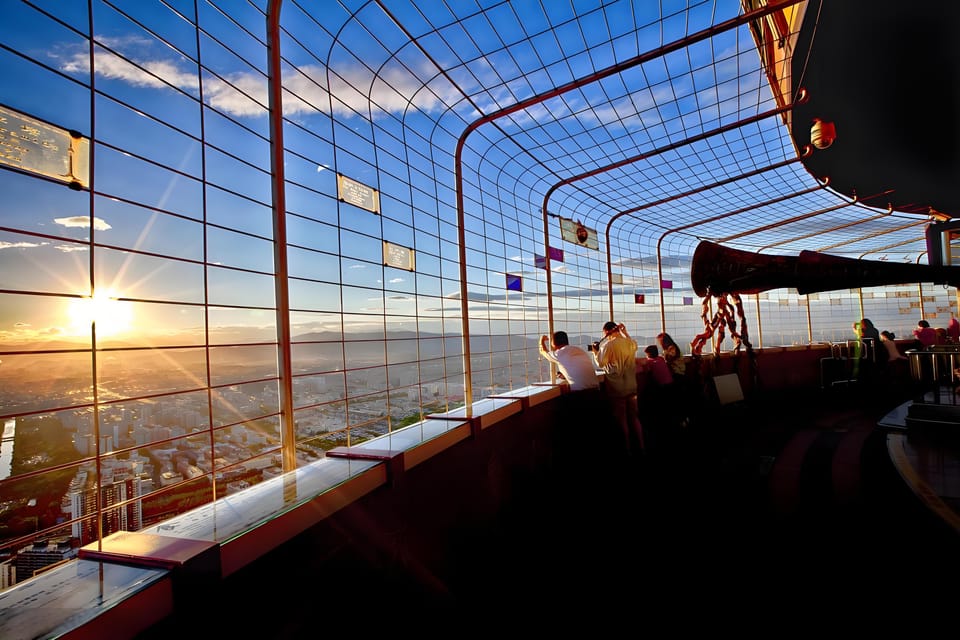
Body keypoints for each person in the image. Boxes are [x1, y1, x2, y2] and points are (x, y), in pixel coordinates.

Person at [593, 320, 644, 457]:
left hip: (617, 387)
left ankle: (627, 449)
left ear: (608, 332)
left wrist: (595, 352)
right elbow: (632, 343)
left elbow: (601, 362)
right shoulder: (630, 343)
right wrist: (625, 331)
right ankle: (641, 445)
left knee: (621, 419)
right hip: (632, 386)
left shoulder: (609, 345)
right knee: (634, 417)